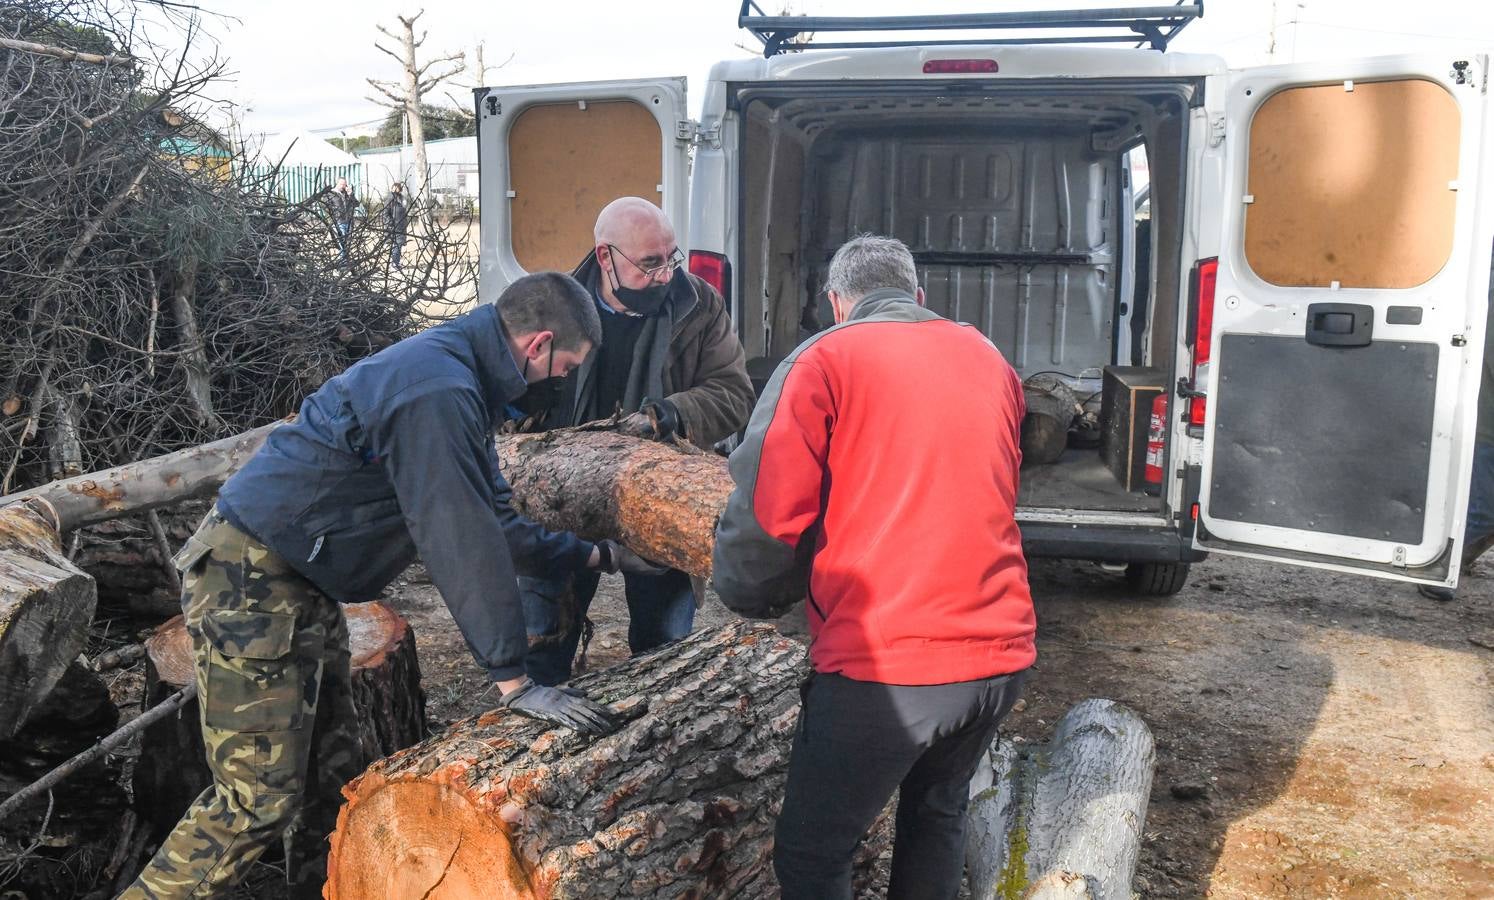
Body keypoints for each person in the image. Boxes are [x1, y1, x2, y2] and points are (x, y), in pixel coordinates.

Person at [120, 272, 658, 900]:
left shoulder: (460, 377)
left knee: (333, 772)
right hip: (250, 576)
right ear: (538, 345)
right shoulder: (439, 388)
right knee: (256, 798)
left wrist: (603, 558)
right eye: (564, 369)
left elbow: (493, 520)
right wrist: (513, 679)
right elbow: (457, 535)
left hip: (295, 579)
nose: (560, 383)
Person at [711, 235, 1037, 899]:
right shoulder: (988, 356)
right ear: (917, 298)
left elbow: (770, 514)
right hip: (1000, 657)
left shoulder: (826, 357)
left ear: (838, 304)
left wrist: (749, 593)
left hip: (888, 668)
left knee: (811, 855)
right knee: (935, 816)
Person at [513, 196, 753, 685]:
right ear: (605, 257)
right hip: (560, 496)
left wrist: (673, 414)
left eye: (671, 258)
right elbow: (512, 384)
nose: (666, 274)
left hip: (660, 498)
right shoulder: (552, 304)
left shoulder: (700, 305)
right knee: (541, 642)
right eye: (649, 263)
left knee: (663, 649)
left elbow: (734, 393)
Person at [1421, 266, 1494, 601]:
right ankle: (1437, 569)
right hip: (1486, 424)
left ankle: (1453, 562)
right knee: (1483, 509)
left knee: (1484, 509)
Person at [327, 177, 357, 262]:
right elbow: (325, 205)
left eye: (345, 184)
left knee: (347, 242)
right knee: (341, 242)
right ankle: (343, 262)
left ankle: (344, 260)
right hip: (338, 221)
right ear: (337, 183)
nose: (343, 186)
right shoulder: (331, 193)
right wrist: (334, 212)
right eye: (341, 184)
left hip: (348, 221)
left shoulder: (347, 194)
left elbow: (356, 204)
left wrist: (351, 194)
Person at [382, 182, 409, 270]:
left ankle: (395, 262)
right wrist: (390, 223)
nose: (397, 190)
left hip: (401, 225)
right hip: (393, 225)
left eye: (398, 188)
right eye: (395, 188)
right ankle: (394, 263)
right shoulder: (390, 199)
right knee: (396, 245)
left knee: (399, 245)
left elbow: (404, 211)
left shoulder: (402, 199)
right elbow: (385, 213)